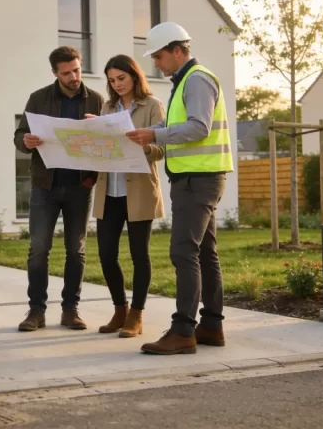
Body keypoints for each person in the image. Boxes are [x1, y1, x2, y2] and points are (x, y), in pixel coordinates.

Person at [125, 22, 234, 355]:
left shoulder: (196, 79)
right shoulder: (185, 81)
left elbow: (198, 127)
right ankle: (211, 326)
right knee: (204, 252)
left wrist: (156, 135)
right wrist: (137, 131)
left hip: (197, 180)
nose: (156, 63)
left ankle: (183, 331)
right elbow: (174, 125)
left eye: (158, 56)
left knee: (183, 252)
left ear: (177, 50)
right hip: (196, 177)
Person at [14, 46, 104, 332]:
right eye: (67, 73)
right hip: (45, 186)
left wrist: (100, 130)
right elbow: (19, 136)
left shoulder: (97, 100)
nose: (74, 76)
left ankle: (70, 311)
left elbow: (110, 141)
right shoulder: (38, 99)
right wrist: (25, 141)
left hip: (81, 186)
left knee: (75, 251)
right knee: (39, 248)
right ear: (55, 73)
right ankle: (36, 312)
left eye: (77, 70)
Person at [86, 55, 165, 338]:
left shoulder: (153, 106)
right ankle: (120, 309)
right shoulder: (106, 107)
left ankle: (137, 315)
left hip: (139, 190)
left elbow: (162, 149)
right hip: (109, 191)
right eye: (111, 80)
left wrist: (140, 142)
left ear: (134, 76)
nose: (117, 84)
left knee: (139, 255)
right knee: (106, 255)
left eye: (121, 78)